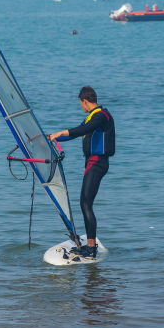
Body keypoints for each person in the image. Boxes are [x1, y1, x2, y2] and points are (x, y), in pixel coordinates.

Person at [47, 86, 115, 260]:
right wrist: (51, 137)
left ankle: (91, 248)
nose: (81, 107)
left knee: (85, 203)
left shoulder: (101, 115)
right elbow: (75, 133)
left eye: (80, 104)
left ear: (84, 100)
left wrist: (60, 132)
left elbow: (83, 130)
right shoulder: (92, 118)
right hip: (93, 163)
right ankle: (90, 246)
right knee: (85, 202)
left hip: (97, 162)